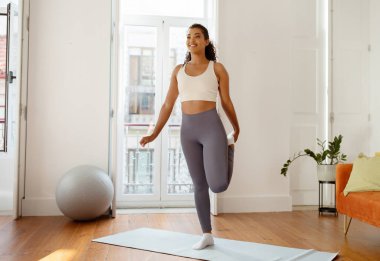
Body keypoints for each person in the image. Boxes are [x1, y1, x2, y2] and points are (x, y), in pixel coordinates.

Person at [139, 23, 240, 250]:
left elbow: (226, 102)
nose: (191, 40)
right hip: (188, 131)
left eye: (197, 36)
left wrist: (236, 127)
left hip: (212, 127)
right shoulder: (178, 71)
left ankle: (229, 147)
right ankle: (207, 234)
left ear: (206, 41)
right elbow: (167, 104)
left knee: (218, 185)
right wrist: (154, 133)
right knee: (199, 185)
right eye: (188, 36)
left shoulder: (217, 69)